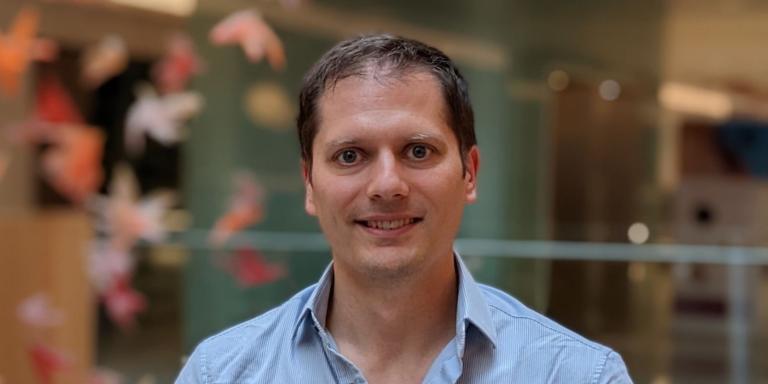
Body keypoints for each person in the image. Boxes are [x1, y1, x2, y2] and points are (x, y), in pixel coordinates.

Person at [176, 34, 633, 384]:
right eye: (350, 155)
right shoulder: (221, 373)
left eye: (418, 151)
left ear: (469, 173)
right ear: (310, 185)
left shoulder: (576, 374)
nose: (387, 185)